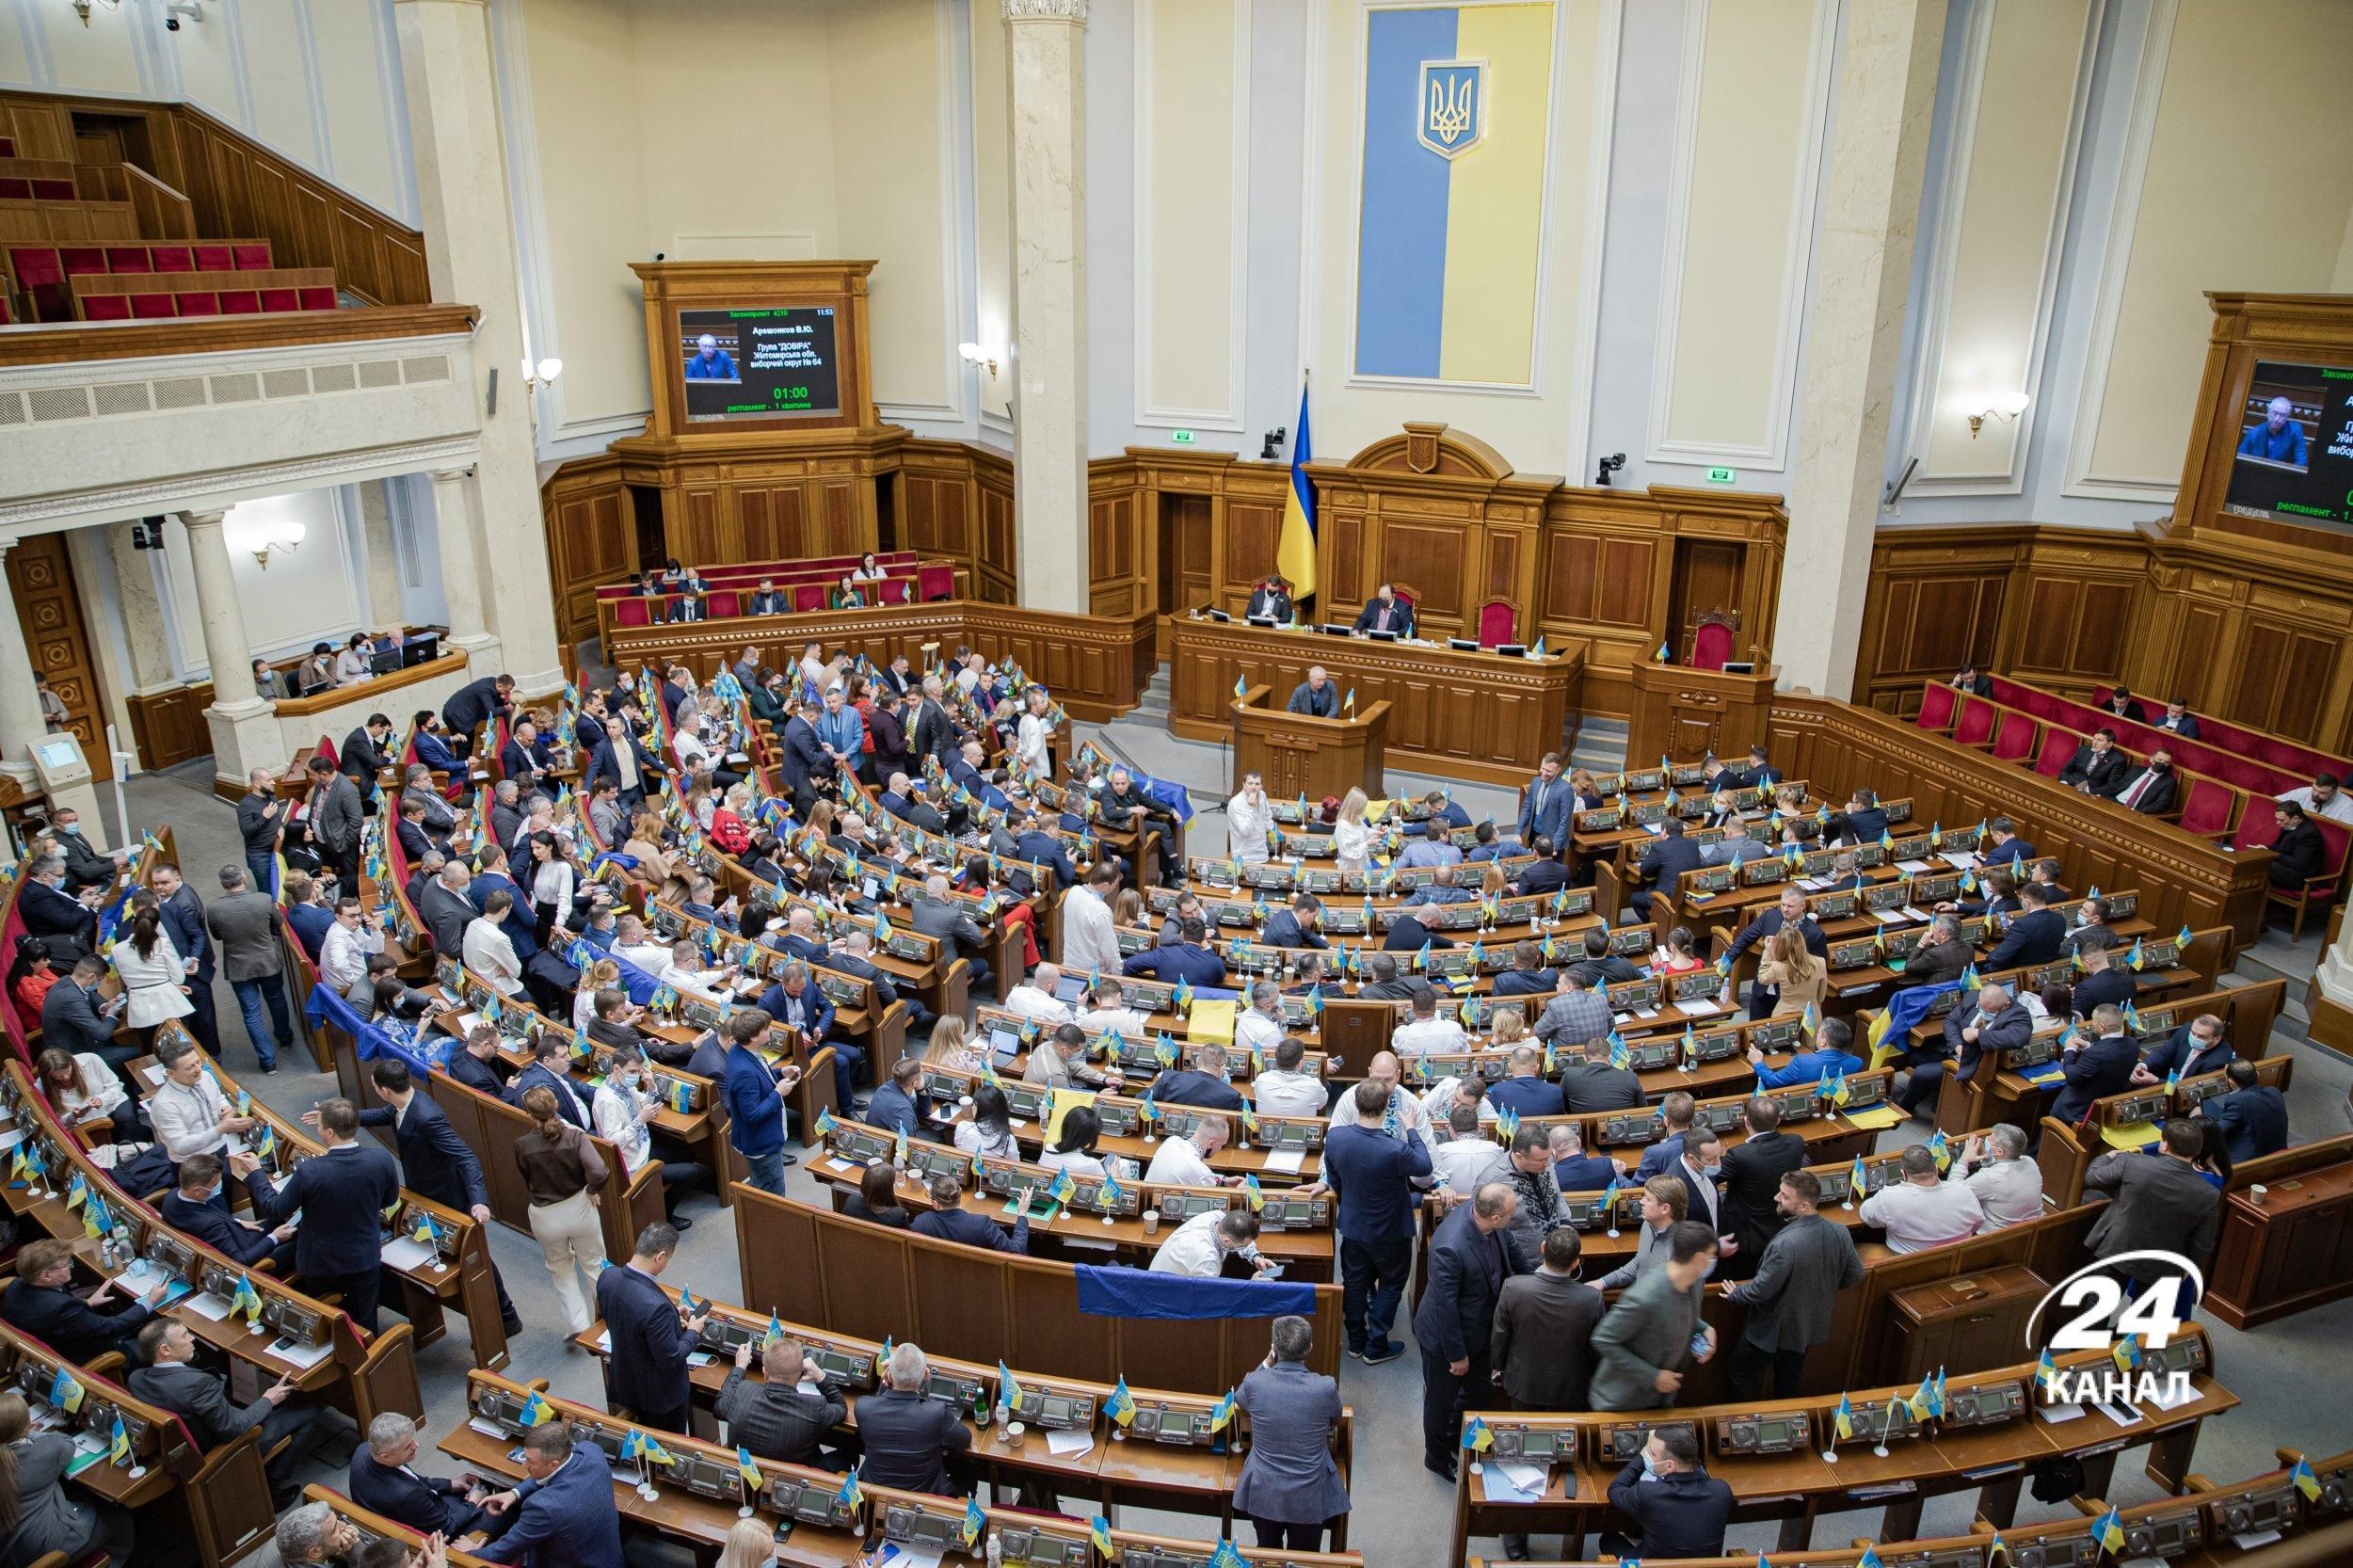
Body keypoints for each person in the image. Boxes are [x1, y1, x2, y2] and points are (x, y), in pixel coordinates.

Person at [358, 1058, 520, 1331]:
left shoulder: (427, 1116)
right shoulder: (404, 1103)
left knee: (475, 1258)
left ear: (385, 1090)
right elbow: (383, 1116)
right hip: (425, 1194)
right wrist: (345, 1118)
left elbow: (467, 1158)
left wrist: (479, 1199)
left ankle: (507, 1316)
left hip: (449, 1198)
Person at [240, 1096, 402, 1331]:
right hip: (363, 1258)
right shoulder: (380, 1159)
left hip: (321, 1263)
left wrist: (256, 1173)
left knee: (324, 1323)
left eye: (319, 1127)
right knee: (365, 1320)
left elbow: (275, 1208)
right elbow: (389, 1200)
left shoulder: (310, 1171)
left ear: (328, 1133)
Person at [132, 1318, 319, 1507]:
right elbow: (234, 1428)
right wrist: (268, 1399)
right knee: (309, 1411)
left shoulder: (136, 1379)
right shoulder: (198, 1384)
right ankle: (272, 1489)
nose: (192, 1339)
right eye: (185, 1336)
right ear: (165, 1350)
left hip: (192, 1440)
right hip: (226, 1449)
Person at [1411, 1182, 1522, 1479]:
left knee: (1479, 1391)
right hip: (1447, 1340)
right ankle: (1436, 1456)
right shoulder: (1451, 1246)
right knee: (1440, 1401)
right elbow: (1445, 1309)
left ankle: (1459, 1438)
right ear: (1495, 1218)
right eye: (1511, 1213)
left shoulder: (1490, 1221)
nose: (1514, 1216)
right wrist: (1457, 1355)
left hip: (1482, 1329)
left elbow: (1513, 1257)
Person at [1721, 1170, 1860, 1399]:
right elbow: (1854, 1274)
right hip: (1807, 1328)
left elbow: (1760, 1290)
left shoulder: (1785, 1244)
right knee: (1789, 1380)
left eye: (1785, 1196)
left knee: (1741, 1371)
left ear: (1804, 1206)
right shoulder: (1840, 1231)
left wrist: (1736, 1293)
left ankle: (1749, 1423)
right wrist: (1821, 1287)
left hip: (1772, 1332)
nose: (1776, 1197)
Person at [1322, 1080, 1432, 1363]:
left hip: (1354, 1226)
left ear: (1355, 1104)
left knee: (1354, 1283)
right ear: (1387, 1107)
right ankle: (1376, 1345)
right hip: (1391, 1232)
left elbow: (1334, 1179)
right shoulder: (1395, 1149)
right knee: (1393, 1284)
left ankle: (1356, 1342)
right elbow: (1425, 1166)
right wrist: (1410, 1127)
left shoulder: (1335, 1138)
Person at [1232, 1316, 1348, 1551]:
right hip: (1309, 1495)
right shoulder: (1325, 1387)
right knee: (1306, 1556)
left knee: (1267, 1552)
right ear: (1310, 1348)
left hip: (1265, 1491)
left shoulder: (1255, 1383)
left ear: (1274, 1349)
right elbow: (1336, 1417)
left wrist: (1266, 1363)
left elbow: (1240, 1398)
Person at [1589, 1221, 1719, 1412]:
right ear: (1699, 1259)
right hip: (1623, 1401)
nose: (1713, 1260)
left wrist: (1704, 1328)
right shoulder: (1644, 1297)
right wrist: (1653, 1376)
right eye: (1711, 1255)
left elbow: (1677, 1312)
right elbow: (1603, 1339)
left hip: (1659, 1398)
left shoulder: (1689, 1281)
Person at [0, 1390, 134, 1568]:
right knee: (120, 1518)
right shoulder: (38, 1453)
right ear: (23, 1426)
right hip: (43, 1547)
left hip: (8, 1551)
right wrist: (30, 1434)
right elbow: (65, 1443)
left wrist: (21, 1434)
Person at [471, 1421, 625, 1568]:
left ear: (554, 1464)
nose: (524, 1465)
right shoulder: (592, 1452)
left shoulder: (544, 1507)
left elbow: (505, 1550)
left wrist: (471, 1553)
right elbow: (552, 1474)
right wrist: (514, 1493)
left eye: (531, 1462)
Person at [2085, 1119, 2222, 1282]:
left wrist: (2106, 1156)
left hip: (2117, 1247)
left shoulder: (2133, 1163)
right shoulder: (2208, 1193)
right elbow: (2202, 1242)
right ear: (2197, 1151)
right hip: (2165, 1264)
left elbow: (2092, 1178)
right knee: (2152, 1309)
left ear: (2164, 1145)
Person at [596, 1223, 701, 1433]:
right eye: (668, 1259)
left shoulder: (607, 1277)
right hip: (660, 1399)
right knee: (667, 1452)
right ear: (660, 1256)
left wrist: (671, 1315)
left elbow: (624, 1316)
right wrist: (693, 1332)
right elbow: (670, 1357)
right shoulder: (655, 1307)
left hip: (627, 1380)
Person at [0, 1239, 164, 1366]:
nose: (70, 1267)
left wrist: (86, 1304)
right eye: (66, 1264)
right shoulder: (60, 1307)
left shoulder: (16, 1285)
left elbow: (54, 1317)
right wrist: (150, 1301)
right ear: (46, 1276)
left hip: (55, 1337)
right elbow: (109, 1327)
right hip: (84, 1356)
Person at [206, 864, 296, 1073]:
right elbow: (279, 921)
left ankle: (267, 1061)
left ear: (222, 884)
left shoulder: (214, 909)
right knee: (276, 998)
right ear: (244, 878)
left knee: (251, 1013)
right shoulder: (263, 899)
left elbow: (217, 935)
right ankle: (284, 1036)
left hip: (238, 967)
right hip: (267, 960)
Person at [348, 1411, 488, 1539]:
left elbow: (411, 1478)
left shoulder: (364, 1450)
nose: (417, 1445)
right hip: (438, 1530)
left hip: (412, 1510)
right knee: (496, 1512)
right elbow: (446, 1528)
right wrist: (473, 1502)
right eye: (408, 1446)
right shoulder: (407, 1494)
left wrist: (451, 1483)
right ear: (385, 1457)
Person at [716, 1333, 848, 1468]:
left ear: (764, 1372)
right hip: (792, 1478)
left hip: (745, 1472)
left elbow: (719, 1407)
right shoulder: (814, 1407)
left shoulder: (743, 1390)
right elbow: (841, 1407)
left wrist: (740, 1367)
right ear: (800, 1375)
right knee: (850, 1452)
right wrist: (819, 1375)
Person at [1604, 1425, 1733, 1560]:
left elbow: (1615, 1488)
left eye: (1651, 1453)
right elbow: (1702, 1477)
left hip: (1656, 1563)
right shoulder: (1722, 1490)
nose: (1648, 1454)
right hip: (1704, 1565)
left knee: (1608, 1539)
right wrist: (1691, 1459)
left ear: (1670, 1465)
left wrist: (1642, 1456)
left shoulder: (1648, 1493)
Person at [857, 1342, 971, 1494]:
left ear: (890, 1373)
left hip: (877, 1494)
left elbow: (878, 1406)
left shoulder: (863, 1408)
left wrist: (884, 1385)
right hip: (926, 1497)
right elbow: (965, 1439)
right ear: (926, 1374)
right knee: (969, 1468)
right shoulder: (935, 1413)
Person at [1715, 1097, 1801, 1280]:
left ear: (1746, 1121)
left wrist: (1715, 1159)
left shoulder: (1739, 1155)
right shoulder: (1796, 1143)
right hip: (1782, 1229)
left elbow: (1712, 1178)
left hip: (1747, 1239)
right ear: (1778, 1120)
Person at [722, 1009, 802, 1193]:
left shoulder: (742, 1051)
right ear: (753, 1037)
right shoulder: (744, 1071)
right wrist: (778, 1093)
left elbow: (761, 1077)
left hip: (764, 1138)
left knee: (762, 1184)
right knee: (772, 1193)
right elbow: (752, 1114)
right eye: (766, 1028)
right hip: (762, 1143)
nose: (771, 1030)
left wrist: (780, 1072)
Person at [1859, 1144, 1984, 1254]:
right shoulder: (1964, 1191)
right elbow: (1977, 1224)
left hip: (1904, 1265)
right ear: (1935, 1169)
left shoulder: (1888, 1198)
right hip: (1955, 1261)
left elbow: (1868, 1217)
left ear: (1904, 1174)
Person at [109, 904, 191, 1047]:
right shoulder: (162, 944)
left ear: (134, 923)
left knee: (152, 1051)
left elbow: (125, 978)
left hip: (140, 1010)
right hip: (170, 1004)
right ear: (156, 926)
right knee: (182, 1048)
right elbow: (178, 978)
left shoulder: (117, 950)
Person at [2051, 1003, 2141, 1126]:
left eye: (2094, 1020)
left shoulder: (2095, 1054)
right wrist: (2088, 1047)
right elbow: (2109, 1054)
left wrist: (2069, 1050)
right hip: (2107, 1104)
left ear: (2102, 1027)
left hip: (2076, 1111)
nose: (2092, 1023)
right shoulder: (2133, 1044)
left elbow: (2071, 1077)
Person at [1950, 1124, 2044, 1229]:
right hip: (2030, 1229)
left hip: (1995, 1236)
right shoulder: (2030, 1161)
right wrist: (1988, 1158)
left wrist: (1964, 1160)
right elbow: (2004, 1170)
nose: (1986, 1140)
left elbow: (1952, 1192)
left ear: (1999, 1151)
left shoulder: (1989, 1177)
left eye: (1990, 1140)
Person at [913, 1172, 1030, 1253]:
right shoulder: (981, 1224)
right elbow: (1017, 1249)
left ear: (936, 1204)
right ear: (960, 1193)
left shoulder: (922, 1222)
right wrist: (1022, 1214)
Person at [2201, 1060, 2288, 1163]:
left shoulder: (2238, 1100)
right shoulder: (2274, 1092)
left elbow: (2218, 1131)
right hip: (2278, 1151)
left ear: (2231, 1082)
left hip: (2249, 1159)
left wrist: (2200, 1121)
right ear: (2257, 1074)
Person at [1150, 1208, 1270, 1278]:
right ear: (1226, 1241)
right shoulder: (1206, 1259)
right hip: (1166, 1296)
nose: (1245, 1247)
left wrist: (1255, 1256)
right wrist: (1252, 1286)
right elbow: (1211, 1298)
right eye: (1243, 1246)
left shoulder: (1217, 1217)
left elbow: (1241, 1239)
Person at [1145, 1041, 1246, 1112]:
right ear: (1223, 1068)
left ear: (1197, 1060)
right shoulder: (1231, 1095)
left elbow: (1141, 1099)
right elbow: (1243, 1125)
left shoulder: (1169, 1077)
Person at [1754, 927, 1826, 1020]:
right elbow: (1820, 998)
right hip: (1811, 1017)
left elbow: (1762, 979)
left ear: (1780, 947)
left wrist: (1767, 951)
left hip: (1784, 1016)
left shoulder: (1777, 967)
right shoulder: (1820, 962)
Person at [1559, 1035, 1644, 1112]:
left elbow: (1562, 1106)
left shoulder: (1569, 1076)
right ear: (1610, 1058)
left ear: (1584, 1058)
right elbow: (1643, 1109)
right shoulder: (1630, 1077)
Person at [2270, 802, 2329, 890]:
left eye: (2281, 820)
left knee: (2265, 866)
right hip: (2286, 867)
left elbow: (2299, 863)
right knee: (2260, 862)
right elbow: (2278, 845)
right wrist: (2264, 849)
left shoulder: (2309, 834)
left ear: (2295, 819)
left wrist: (2273, 854)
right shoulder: (2290, 824)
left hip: (2302, 878)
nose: (2277, 823)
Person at [2058, 728, 2132, 797]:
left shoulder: (2118, 760)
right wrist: (2064, 782)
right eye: (2094, 739)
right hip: (2070, 785)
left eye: (2099, 740)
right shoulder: (2083, 750)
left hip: (2092, 794)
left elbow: (2111, 786)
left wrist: (2089, 791)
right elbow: (2066, 770)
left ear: (2109, 744)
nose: (2095, 743)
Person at [2238, 392, 2308, 464]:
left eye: (2282, 415)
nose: (2277, 419)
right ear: (2268, 413)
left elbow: (2301, 463)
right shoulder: (2254, 433)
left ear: (2287, 417)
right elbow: (2240, 459)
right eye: (2275, 413)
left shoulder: (2295, 431)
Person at [2114, 748, 2179, 815]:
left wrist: (2140, 811)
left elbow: (2161, 804)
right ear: (2151, 759)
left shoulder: (2169, 782)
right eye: (2159, 760)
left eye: (2166, 762)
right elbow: (2118, 785)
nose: (2162, 764)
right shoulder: (2135, 769)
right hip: (2115, 801)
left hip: (2135, 811)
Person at [2277, 773, 2353, 826]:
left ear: (2334, 792)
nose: (2315, 794)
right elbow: (2276, 801)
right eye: (2314, 789)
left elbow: (2346, 835)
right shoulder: (2304, 792)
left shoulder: (2347, 807)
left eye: (2322, 792)